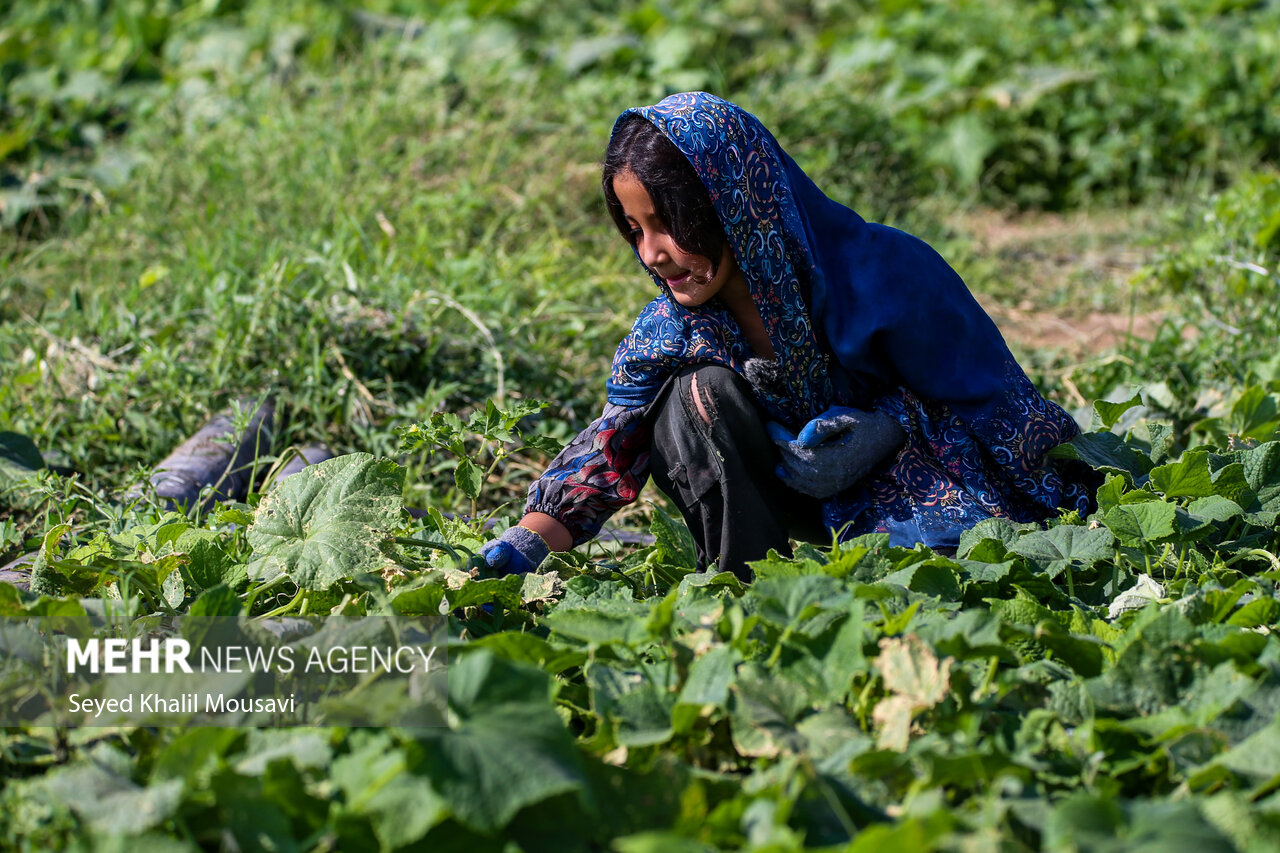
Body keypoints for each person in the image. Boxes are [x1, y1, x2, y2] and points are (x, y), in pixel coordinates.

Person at [479, 91, 1093, 582]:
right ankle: (740, 586)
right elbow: (612, 444)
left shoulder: (887, 275)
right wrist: (526, 543)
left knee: (956, 570)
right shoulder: (673, 328)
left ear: (737, 204)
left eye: (671, 223)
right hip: (786, 499)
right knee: (690, 400)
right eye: (635, 229)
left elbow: (996, 404)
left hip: (923, 482)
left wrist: (888, 428)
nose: (654, 254)